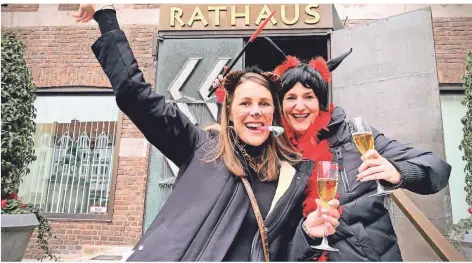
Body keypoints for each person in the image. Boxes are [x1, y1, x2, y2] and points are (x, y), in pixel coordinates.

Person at [73, 4, 341, 261]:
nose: (256, 111)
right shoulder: (200, 147)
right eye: (245, 103)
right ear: (229, 113)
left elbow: (283, 253)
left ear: (274, 113)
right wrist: (105, 15)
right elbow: (135, 94)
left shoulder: (290, 177)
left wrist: (308, 234)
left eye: (264, 104)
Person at [271, 54, 452, 261]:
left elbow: (438, 169)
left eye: (308, 97)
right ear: (281, 105)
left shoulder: (354, 137)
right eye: (291, 98)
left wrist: (398, 172)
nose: (300, 106)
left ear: (320, 102)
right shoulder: (275, 151)